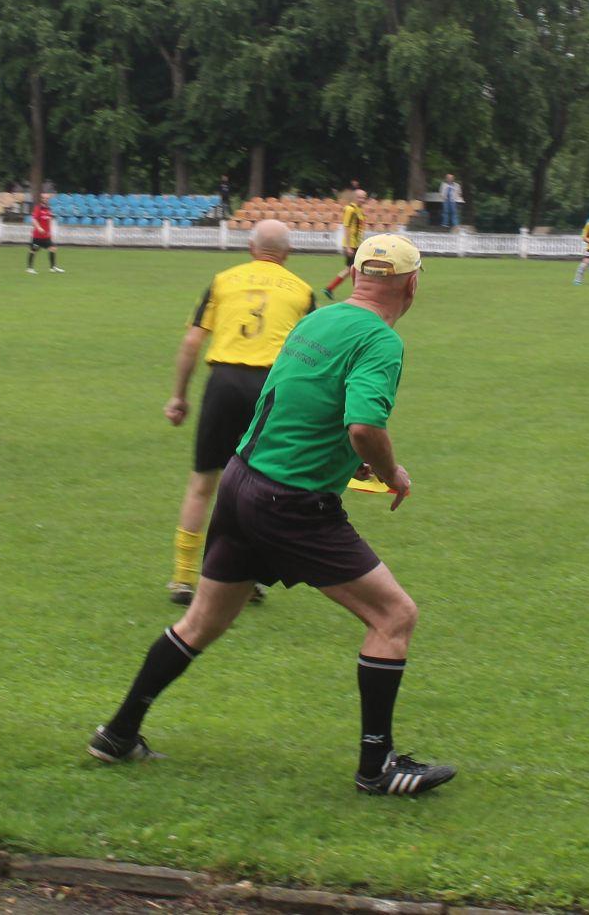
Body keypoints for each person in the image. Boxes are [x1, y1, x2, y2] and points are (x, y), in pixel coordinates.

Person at [88, 234, 455, 798]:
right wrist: (389, 472)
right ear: (412, 283)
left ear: (354, 273)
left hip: (242, 482)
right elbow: (363, 426)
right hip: (293, 501)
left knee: (202, 623)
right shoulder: (380, 341)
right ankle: (377, 768)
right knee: (394, 618)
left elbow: (285, 399)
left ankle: (118, 733)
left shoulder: (317, 323)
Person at [162, 219, 314, 604]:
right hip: (271, 388)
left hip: (223, 383)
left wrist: (179, 396)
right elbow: (311, 354)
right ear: (288, 253)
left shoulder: (223, 280)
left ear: (250, 247)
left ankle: (182, 578)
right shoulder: (302, 291)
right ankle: (249, 579)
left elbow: (191, 343)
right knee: (262, 488)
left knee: (203, 482)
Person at [323, 189, 367, 300]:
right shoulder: (350, 209)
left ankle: (330, 288)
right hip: (351, 245)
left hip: (356, 244)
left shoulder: (359, 210)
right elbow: (346, 227)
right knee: (353, 269)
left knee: (352, 269)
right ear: (354, 198)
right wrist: (348, 246)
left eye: (364, 197)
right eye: (360, 197)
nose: (362, 199)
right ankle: (331, 289)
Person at [26, 192, 62, 274]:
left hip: (46, 236)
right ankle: (29, 268)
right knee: (33, 250)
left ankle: (53, 268)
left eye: (47, 198)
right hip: (37, 236)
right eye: (44, 198)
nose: (45, 199)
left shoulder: (48, 209)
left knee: (53, 248)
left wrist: (49, 233)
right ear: (41, 199)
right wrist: (38, 227)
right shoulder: (38, 208)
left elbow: (48, 222)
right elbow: (34, 219)